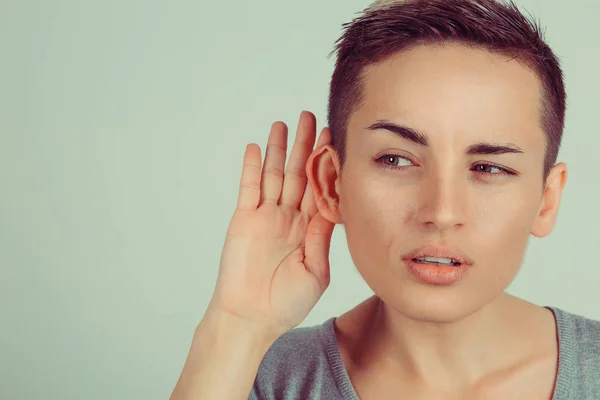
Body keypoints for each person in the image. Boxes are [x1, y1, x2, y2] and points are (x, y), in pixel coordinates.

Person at [169, 0, 600, 399]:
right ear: (332, 184)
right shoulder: (254, 376)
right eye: (396, 159)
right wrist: (236, 326)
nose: (442, 212)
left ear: (546, 200)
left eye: (488, 168)